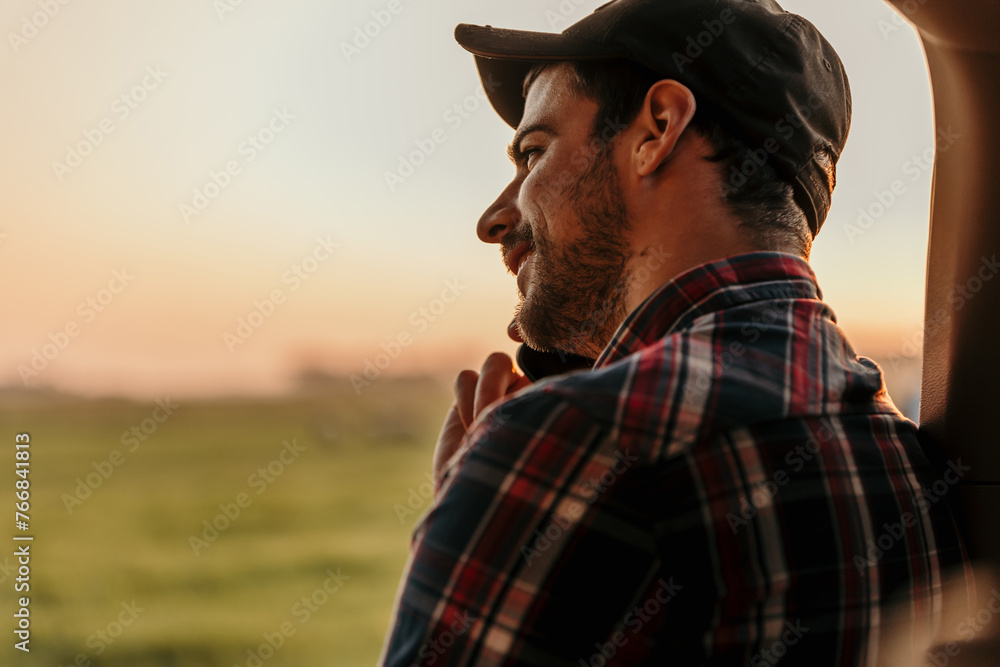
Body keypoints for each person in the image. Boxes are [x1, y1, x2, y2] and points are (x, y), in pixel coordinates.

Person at [378, 1, 974, 664]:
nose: (494, 217)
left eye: (534, 153)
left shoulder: (573, 440)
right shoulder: (903, 449)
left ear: (657, 129)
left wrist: (476, 519)